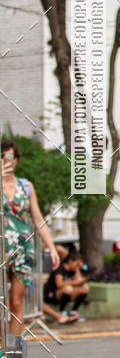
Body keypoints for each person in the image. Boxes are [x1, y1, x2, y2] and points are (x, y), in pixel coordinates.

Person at [1, 139, 61, 334]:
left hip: (22, 249)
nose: (6, 161)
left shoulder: (26, 186)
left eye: (9, 157)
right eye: (2, 157)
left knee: (16, 302)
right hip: (1, 249)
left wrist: (51, 247)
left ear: (16, 160)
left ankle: (12, 348)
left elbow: (38, 219)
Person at [43, 248, 89, 317]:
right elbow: (59, 284)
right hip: (51, 294)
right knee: (68, 289)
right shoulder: (60, 267)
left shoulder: (73, 270)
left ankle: (73, 312)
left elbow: (78, 282)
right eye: (77, 264)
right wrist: (75, 282)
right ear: (70, 261)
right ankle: (61, 312)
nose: (78, 266)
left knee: (85, 288)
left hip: (65, 293)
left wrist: (77, 269)